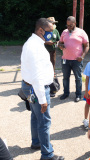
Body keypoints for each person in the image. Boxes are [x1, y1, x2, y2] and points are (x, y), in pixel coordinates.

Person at [21, 18, 64, 160]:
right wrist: (43, 99)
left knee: (35, 116)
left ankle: (36, 142)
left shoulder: (33, 43)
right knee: (44, 121)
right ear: (41, 30)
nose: (52, 34)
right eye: (50, 32)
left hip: (29, 87)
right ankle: (47, 155)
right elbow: (37, 76)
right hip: (36, 88)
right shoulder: (35, 47)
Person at [58, 16, 89, 102]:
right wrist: (60, 46)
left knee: (78, 78)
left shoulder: (81, 32)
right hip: (65, 59)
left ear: (75, 24)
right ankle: (66, 93)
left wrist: (82, 56)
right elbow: (60, 43)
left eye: (70, 25)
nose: (68, 27)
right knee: (65, 78)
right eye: (67, 25)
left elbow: (87, 46)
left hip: (77, 60)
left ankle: (78, 94)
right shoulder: (64, 32)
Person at [44, 17, 61, 97]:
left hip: (53, 52)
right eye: (52, 23)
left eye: (54, 23)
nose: (54, 25)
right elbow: (39, 40)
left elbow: (59, 40)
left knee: (52, 68)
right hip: (44, 52)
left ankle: (52, 88)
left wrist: (56, 43)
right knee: (44, 68)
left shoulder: (56, 31)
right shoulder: (43, 30)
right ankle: (44, 85)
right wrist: (47, 42)